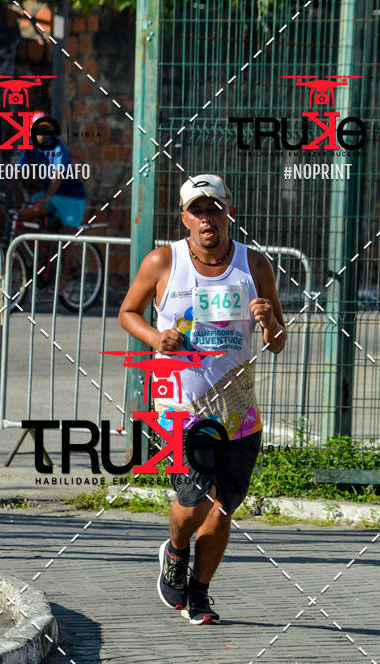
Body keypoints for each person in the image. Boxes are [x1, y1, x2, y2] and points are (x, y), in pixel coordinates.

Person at [118, 174, 286, 624]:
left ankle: (199, 592)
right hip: (181, 407)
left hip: (238, 412)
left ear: (230, 213)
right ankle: (175, 551)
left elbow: (278, 342)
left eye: (215, 209)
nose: (207, 218)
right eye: (198, 210)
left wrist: (269, 322)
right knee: (195, 500)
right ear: (185, 218)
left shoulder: (255, 265)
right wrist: (156, 337)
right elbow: (128, 312)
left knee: (223, 506)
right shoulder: (163, 261)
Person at [1, 112, 87, 229]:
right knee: (23, 214)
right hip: (49, 195)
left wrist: (45, 198)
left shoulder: (57, 145)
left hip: (71, 196)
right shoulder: (30, 146)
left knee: (68, 232)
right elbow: (20, 173)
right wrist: (4, 194)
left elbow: (57, 175)